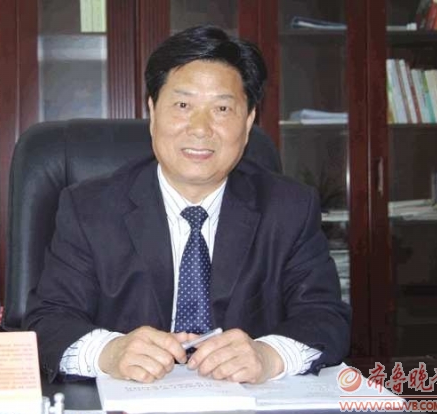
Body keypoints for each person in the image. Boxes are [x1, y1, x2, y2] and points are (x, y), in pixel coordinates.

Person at [23, 24, 351, 385]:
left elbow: (325, 317)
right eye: (182, 105)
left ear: (248, 122)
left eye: (222, 108)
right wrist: (109, 352)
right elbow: (47, 321)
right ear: (153, 112)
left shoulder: (289, 208)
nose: (200, 128)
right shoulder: (89, 209)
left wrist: (269, 356)